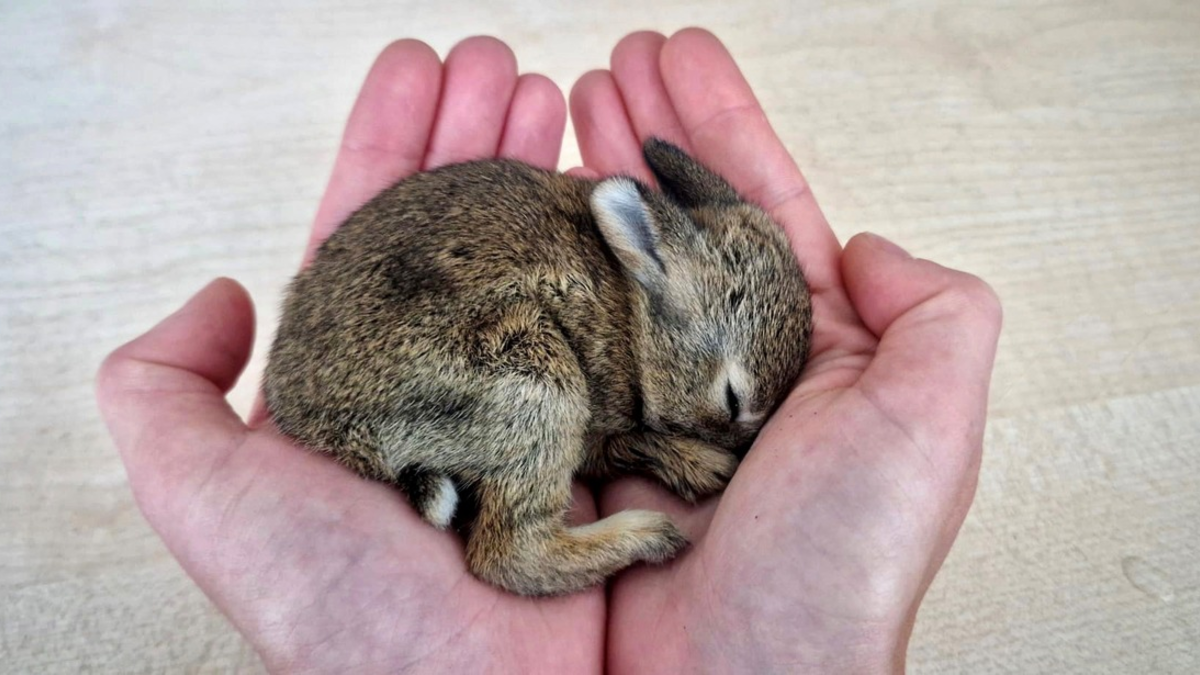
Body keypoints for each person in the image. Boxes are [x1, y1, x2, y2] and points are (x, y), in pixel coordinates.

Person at [96, 29, 1001, 673]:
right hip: (415, 353)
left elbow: (598, 425)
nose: (739, 437)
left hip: (408, 357)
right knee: (534, 378)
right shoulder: (613, 309)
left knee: (553, 391)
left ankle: (448, 478)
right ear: (651, 264)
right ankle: (520, 544)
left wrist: (647, 446)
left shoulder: (629, 339)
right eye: (731, 403)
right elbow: (563, 404)